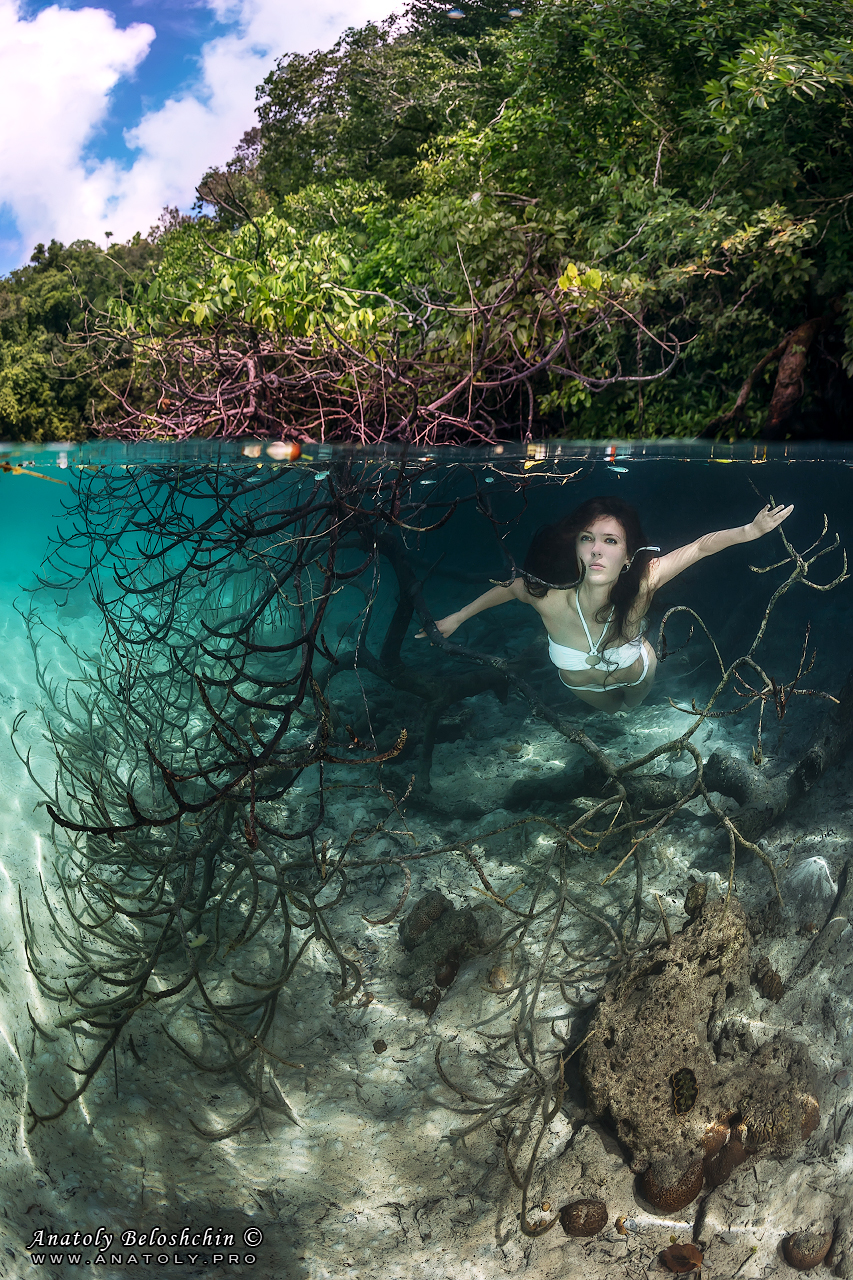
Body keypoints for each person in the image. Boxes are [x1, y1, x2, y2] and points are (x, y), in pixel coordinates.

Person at [416, 495, 793, 713]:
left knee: (631, 708)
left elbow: (700, 546)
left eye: (611, 541)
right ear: (575, 547)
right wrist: (457, 618)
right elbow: (508, 588)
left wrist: (751, 531)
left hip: (636, 669)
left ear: (629, 556)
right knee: (612, 712)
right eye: (587, 538)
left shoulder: (645, 580)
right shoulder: (546, 594)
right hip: (582, 685)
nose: (597, 549)